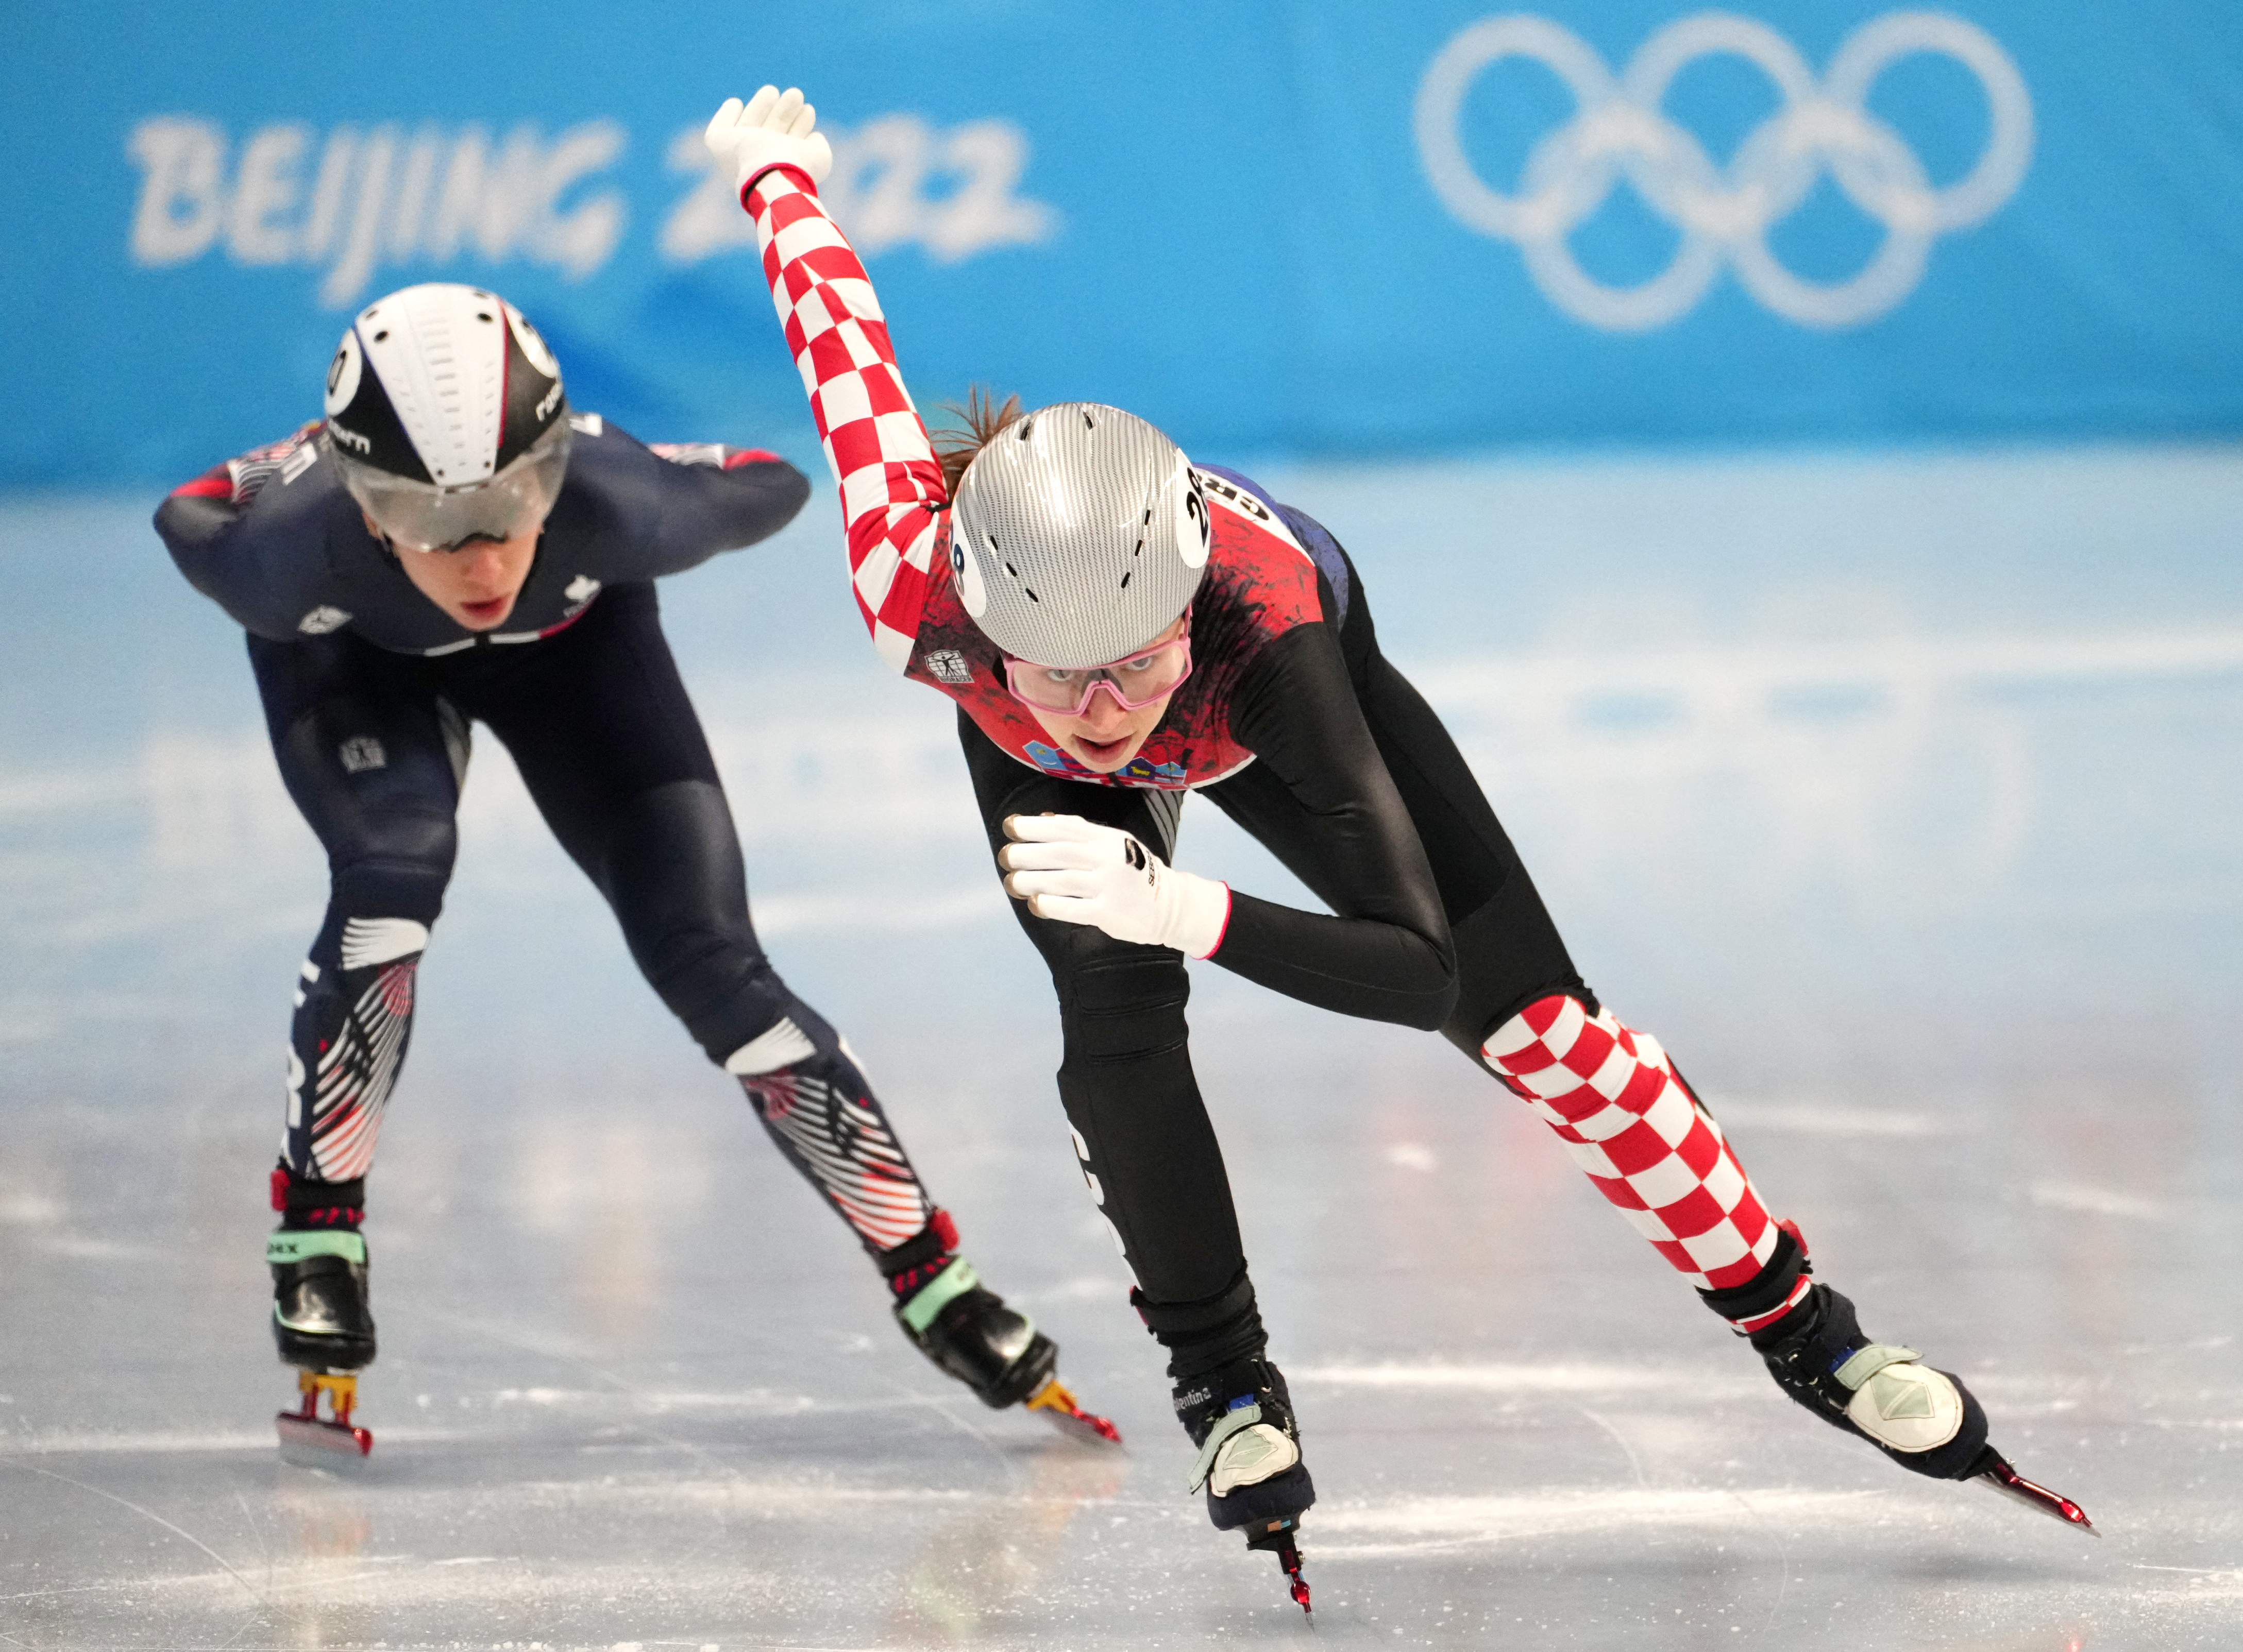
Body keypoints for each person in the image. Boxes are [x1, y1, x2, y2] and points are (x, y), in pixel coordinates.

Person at [703, 83, 2095, 1604]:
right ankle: (1223, 1385)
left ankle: (1807, 1330)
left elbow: (1416, 969)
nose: (1104, 718)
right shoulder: (911, 582)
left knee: (1545, 1033)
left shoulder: (1267, 638)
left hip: (1269, 715)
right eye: (1057, 675)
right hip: (1072, 733)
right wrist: (778, 179)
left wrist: (1189, 905)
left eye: (1134, 665)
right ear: (981, 624)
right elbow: (845, 354)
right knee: (1112, 1018)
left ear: (1186, 616)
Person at [154, 282, 1116, 1458]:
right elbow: (188, 512)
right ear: (361, 497)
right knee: (394, 872)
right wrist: (285, 466)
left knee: (712, 962)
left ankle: (934, 1279)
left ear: (556, 465)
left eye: (513, 500)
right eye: (427, 515)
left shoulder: (621, 505)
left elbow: (773, 480)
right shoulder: (280, 555)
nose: (480, 556)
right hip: (356, 661)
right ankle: (318, 1231)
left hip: (574, 655)